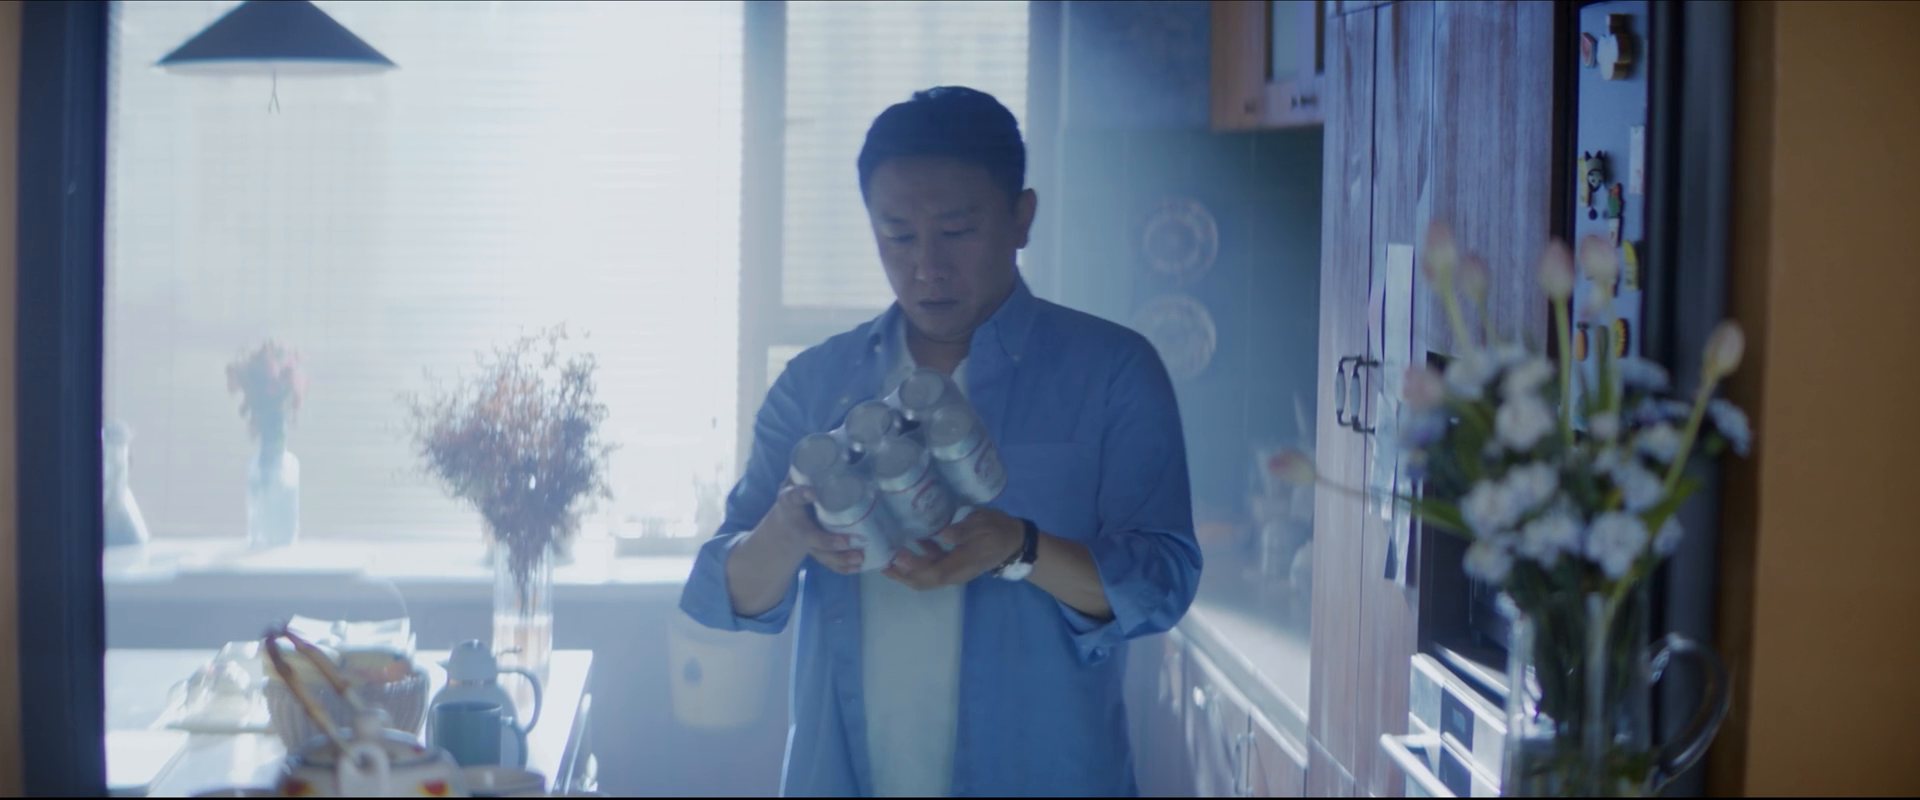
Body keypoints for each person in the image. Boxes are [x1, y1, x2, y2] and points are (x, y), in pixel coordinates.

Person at [679, 86, 1201, 797]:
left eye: (956, 231)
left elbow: (1164, 581)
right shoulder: (813, 384)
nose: (927, 266)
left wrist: (1021, 549)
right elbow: (725, 594)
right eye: (897, 235)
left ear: (1022, 218)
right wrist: (787, 530)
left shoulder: (1111, 371)